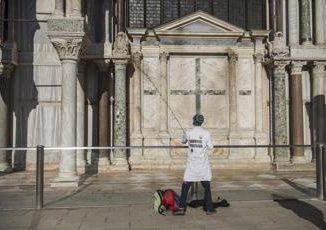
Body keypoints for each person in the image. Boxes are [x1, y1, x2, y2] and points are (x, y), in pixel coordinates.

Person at [175, 114, 216, 215]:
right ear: (201, 122)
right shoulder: (206, 133)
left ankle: (181, 207)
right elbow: (210, 147)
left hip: (192, 165)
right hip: (202, 165)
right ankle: (209, 208)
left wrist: (185, 135)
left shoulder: (188, 133)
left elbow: (183, 141)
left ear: (194, 121)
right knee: (207, 186)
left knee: (185, 186)